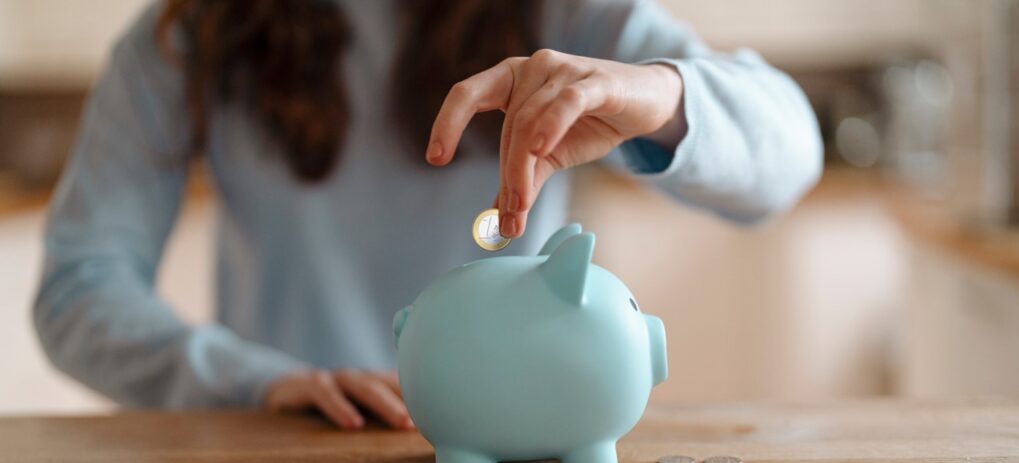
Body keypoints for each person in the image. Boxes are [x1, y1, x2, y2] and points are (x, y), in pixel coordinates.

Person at [33, 0, 822, 429]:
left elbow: (789, 158)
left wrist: (664, 95)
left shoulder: (564, 16)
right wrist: (254, 384)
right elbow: (79, 292)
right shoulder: (187, 36)